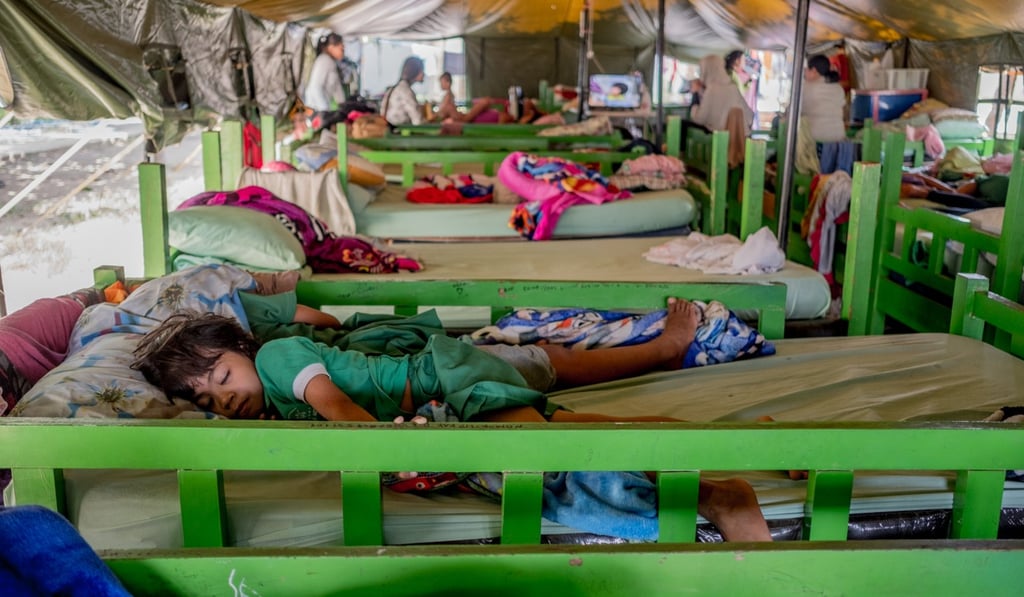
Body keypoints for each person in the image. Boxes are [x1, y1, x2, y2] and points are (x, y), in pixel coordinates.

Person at [133, 297, 772, 542]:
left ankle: (716, 489)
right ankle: (752, 440)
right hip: (447, 392)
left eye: (221, 378)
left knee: (547, 453)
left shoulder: (275, 359)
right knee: (582, 425)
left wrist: (382, 453)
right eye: (210, 402)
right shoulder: (270, 399)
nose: (226, 400)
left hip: (448, 382)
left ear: (243, 351)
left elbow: (339, 408)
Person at [690, 53, 754, 135]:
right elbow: (749, 117)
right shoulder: (732, 87)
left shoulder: (712, 89)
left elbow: (699, 119)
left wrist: (695, 93)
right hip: (740, 139)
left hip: (721, 140)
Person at [801, 54, 847, 143]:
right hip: (838, 139)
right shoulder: (838, 88)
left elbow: (793, 112)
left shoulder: (806, 87)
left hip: (814, 140)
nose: (804, 72)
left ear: (814, 70)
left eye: (806, 69)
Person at [303, 33, 347, 113]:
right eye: (341, 49)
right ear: (331, 47)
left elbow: (337, 87)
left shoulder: (332, 62)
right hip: (316, 108)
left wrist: (343, 105)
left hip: (322, 108)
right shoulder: (324, 60)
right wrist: (324, 110)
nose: (343, 52)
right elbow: (315, 87)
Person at [382, 56, 427, 126]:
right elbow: (418, 121)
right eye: (422, 70)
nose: (424, 74)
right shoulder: (405, 91)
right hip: (398, 133)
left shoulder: (396, 88)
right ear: (414, 71)